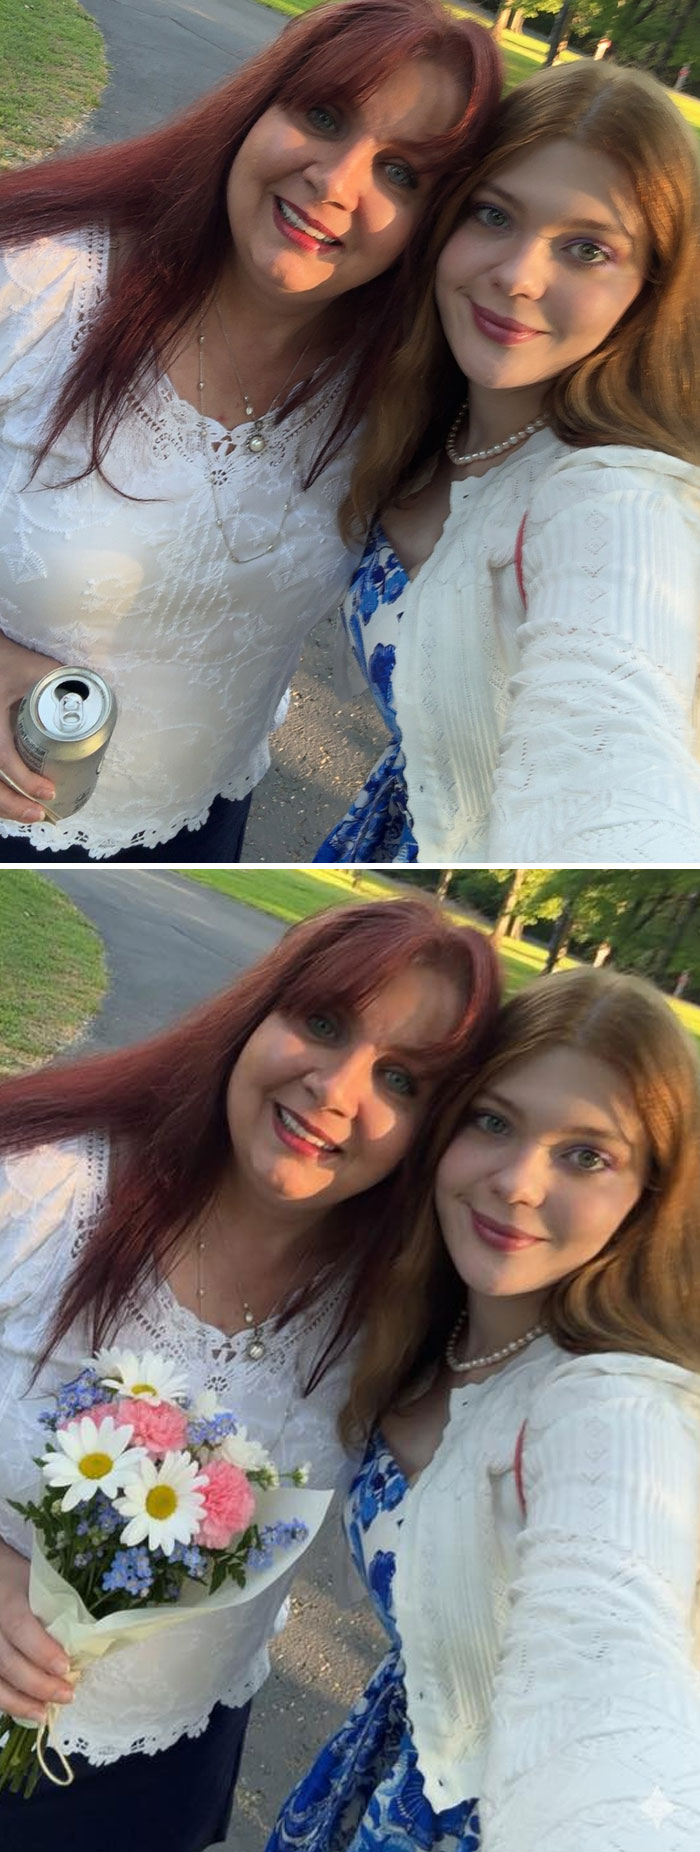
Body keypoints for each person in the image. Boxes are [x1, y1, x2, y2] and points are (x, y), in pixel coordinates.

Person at [0, 894, 499, 1852]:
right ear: (255, 1014)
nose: (337, 1089)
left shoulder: (395, 1320)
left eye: (401, 1078)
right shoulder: (45, 1189)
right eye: (322, 1022)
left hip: (163, 1787)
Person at [0, 0, 500, 863]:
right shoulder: (38, 286)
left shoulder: (404, 398)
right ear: (256, 107)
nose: (337, 182)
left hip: (198, 826)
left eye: (403, 173)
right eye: (323, 115)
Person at [267, 963, 700, 1852]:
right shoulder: (427, 1328)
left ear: (648, 1197)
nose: (518, 1184)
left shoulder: (615, 1405)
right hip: (378, 1775)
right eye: (494, 1122)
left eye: (587, 1155)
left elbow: (612, 1643)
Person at [317, 59, 700, 865]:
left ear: (650, 289)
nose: (519, 277)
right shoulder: (422, 418)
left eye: (588, 250)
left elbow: (609, 737)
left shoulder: (618, 499)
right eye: (494, 215)